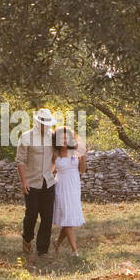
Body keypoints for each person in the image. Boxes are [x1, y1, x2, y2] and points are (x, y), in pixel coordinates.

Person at [16, 108, 58, 257]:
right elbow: (20, 161)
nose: (45, 125)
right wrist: (24, 181)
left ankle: (43, 250)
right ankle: (27, 239)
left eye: (47, 122)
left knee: (47, 217)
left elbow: (55, 157)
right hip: (32, 182)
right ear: (36, 122)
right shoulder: (26, 137)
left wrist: (51, 172)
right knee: (31, 214)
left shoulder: (52, 137)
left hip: (48, 182)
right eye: (42, 122)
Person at [51, 125, 86, 256]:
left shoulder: (76, 153)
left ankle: (57, 242)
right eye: (62, 138)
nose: (64, 141)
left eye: (67, 138)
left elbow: (82, 170)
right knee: (68, 220)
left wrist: (83, 156)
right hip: (61, 187)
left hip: (74, 187)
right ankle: (74, 251)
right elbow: (50, 171)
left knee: (68, 219)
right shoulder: (55, 154)